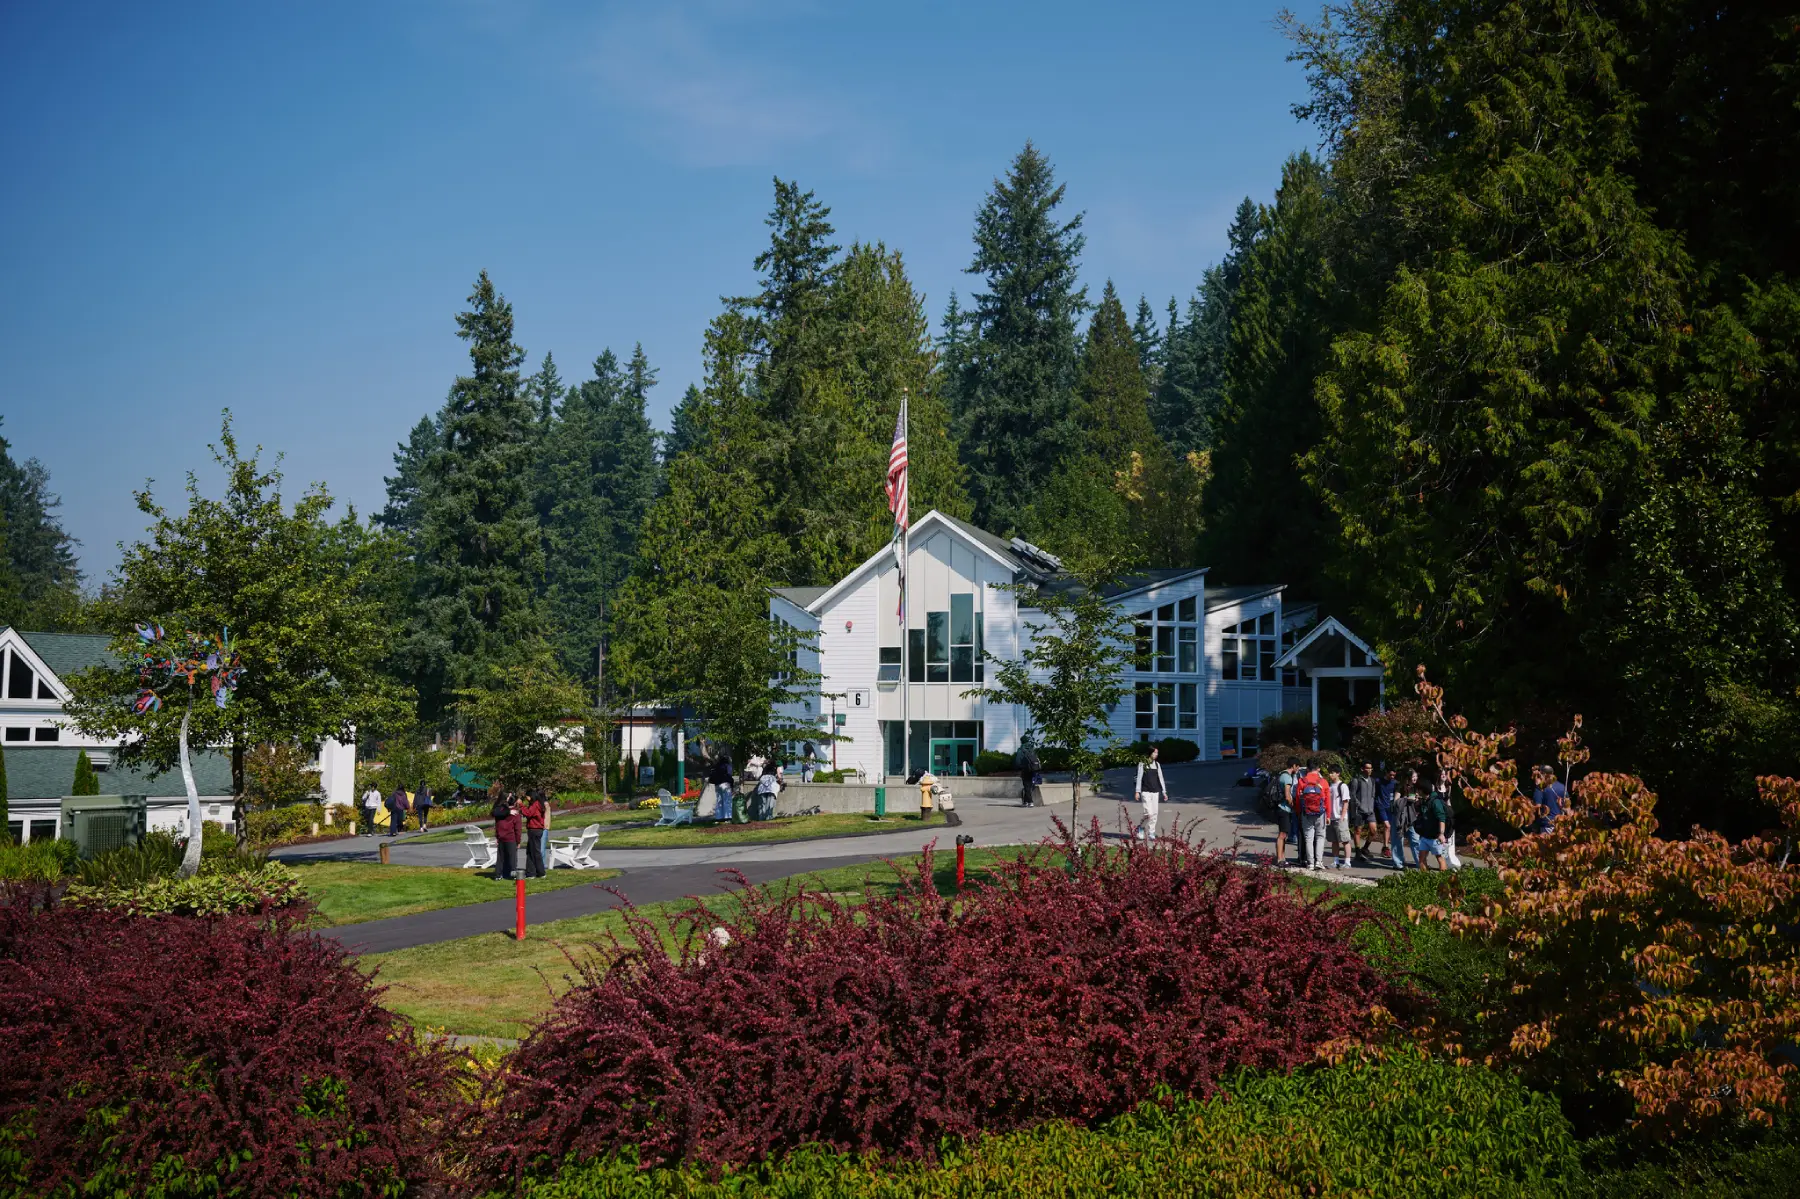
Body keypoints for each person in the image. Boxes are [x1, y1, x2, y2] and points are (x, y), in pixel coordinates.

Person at [1293, 760, 1331, 872]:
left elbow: (1298, 799)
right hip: (1321, 813)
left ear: (1307, 769)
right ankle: (1319, 861)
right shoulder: (1323, 781)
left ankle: (1310, 863)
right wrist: (1328, 815)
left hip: (1306, 813)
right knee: (1320, 837)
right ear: (1318, 768)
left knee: (1308, 838)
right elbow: (1327, 800)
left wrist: (1298, 812)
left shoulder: (1302, 781)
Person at [1415, 777, 1450, 871]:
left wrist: (1441, 834)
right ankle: (1425, 878)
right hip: (1425, 836)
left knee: (1439, 858)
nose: (1417, 791)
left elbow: (1442, 818)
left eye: (1418, 789)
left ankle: (1444, 877)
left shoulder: (1435, 802)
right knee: (1421, 858)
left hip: (1435, 837)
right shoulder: (1423, 801)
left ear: (1422, 790)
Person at [1390, 771, 1423, 870]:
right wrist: (1406, 799)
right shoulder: (1400, 787)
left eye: (1416, 776)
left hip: (1412, 817)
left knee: (1415, 839)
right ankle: (1398, 863)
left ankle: (1421, 862)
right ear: (1408, 778)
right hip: (1400, 817)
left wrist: (1418, 799)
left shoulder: (1417, 788)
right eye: (1413, 776)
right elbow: (1396, 802)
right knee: (1398, 839)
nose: (1415, 778)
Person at [1133, 745, 1167, 842]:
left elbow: (1161, 778)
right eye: (1155, 752)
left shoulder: (1157, 765)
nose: (1156, 754)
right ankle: (1140, 828)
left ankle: (1151, 832)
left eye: (1157, 753)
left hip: (1155, 791)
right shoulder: (1142, 764)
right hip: (1145, 791)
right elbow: (1139, 778)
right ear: (1150, 753)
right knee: (1149, 813)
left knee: (1155, 813)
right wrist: (1137, 791)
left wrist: (1164, 792)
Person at [1350, 762, 1381, 865]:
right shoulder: (1356, 780)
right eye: (1367, 768)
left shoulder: (1372, 780)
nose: (1369, 770)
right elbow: (1352, 795)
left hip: (1370, 810)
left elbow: (1373, 794)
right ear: (1362, 769)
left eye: (1371, 768)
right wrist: (1358, 805)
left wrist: (1372, 805)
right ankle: (1358, 852)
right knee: (1358, 831)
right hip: (1360, 810)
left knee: (1373, 830)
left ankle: (1365, 848)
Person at [491, 791, 522, 881]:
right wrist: (518, 841)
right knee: (512, 858)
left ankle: (498, 875)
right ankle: (513, 875)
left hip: (501, 837)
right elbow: (518, 829)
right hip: (510, 837)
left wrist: (497, 836)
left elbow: (497, 824)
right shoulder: (514, 814)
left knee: (500, 857)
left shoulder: (500, 811)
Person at [1530, 764, 1567, 835]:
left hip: (1546, 825)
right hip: (1560, 825)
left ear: (1543, 774)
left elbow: (1537, 807)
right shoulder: (1562, 786)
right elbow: (1567, 807)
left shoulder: (1540, 787)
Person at [1327, 768, 1353, 869]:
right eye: (1330, 773)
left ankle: (1347, 862)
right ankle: (1336, 860)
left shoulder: (1342, 786)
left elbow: (1346, 802)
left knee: (1345, 840)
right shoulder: (1330, 786)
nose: (1330, 774)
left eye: (1332, 772)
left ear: (1338, 773)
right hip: (1332, 817)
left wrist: (1342, 816)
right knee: (1334, 840)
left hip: (1340, 818)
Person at [1273, 761, 1298, 866]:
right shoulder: (1287, 778)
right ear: (1294, 765)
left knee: (1283, 834)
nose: (1297, 769)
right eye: (1297, 767)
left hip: (1279, 808)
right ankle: (1280, 859)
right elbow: (1287, 796)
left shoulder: (1281, 774)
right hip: (1284, 809)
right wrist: (1293, 806)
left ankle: (1282, 857)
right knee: (1282, 835)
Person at [520, 791, 548, 878]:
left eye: (527, 797)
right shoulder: (538, 804)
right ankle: (531, 872)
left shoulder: (535, 804)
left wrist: (521, 805)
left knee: (535, 852)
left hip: (534, 829)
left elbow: (528, 813)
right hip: (536, 829)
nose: (527, 799)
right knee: (530, 851)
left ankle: (541, 872)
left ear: (531, 796)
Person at [1376, 769, 1399, 863]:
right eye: (1390, 775)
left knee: (1388, 828)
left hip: (1390, 808)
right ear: (1386, 773)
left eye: (1394, 775)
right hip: (1381, 806)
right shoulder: (1378, 781)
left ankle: (1384, 848)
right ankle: (1385, 847)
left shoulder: (1395, 783)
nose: (1392, 777)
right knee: (1387, 826)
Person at [707, 753, 735, 822]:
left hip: (717, 785)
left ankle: (719, 818)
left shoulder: (717, 766)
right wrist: (732, 785)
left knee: (719, 801)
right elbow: (729, 775)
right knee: (727, 801)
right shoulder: (727, 765)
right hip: (725, 784)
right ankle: (728, 818)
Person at [1017, 739, 1042, 808]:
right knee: (1029, 785)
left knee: (1026, 786)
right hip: (1033, 769)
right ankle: (1025, 802)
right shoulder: (1032, 749)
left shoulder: (1021, 750)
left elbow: (1018, 761)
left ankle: (1030, 802)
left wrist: (1018, 768)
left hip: (1025, 770)